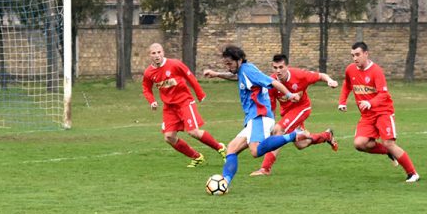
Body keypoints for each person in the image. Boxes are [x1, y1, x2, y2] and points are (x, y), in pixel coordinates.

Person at [203, 44, 308, 189]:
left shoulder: (248, 70)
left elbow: (273, 82)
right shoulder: (243, 71)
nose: (228, 67)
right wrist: (216, 74)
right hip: (253, 118)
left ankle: (293, 135)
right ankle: (224, 183)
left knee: (255, 150)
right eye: (226, 64)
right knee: (231, 148)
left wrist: (289, 95)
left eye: (230, 63)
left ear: (239, 60)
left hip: (260, 115)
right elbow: (235, 76)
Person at [338, 41, 419, 183]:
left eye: (357, 55)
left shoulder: (376, 71)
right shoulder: (350, 69)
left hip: (383, 112)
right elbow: (347, 85)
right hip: (367, 115)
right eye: (352, 55)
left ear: (366, 54)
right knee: (359, 144)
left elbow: (383, 94)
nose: (355, 58)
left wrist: (370, 102)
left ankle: (412, 173)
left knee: (388, 143)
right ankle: (389, 152)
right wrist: (342, 102)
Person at [251, 54, 339, 176]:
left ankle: (265, 169)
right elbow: (271, 108)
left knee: (279, 130)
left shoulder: (300, 75)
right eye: (275, 68)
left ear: (287, 66)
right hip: (287, 113)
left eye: (281, 67)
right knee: (301, 144)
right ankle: (326, 136)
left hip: (302, 108)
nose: (278, 71)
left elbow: (320, 76)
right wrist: (269, 125)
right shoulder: (271, 83)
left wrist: (330, 81)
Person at [142, 43, 226, 168]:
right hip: (169, 107)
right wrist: (152, 101)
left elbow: (189, 76)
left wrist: (200, 94)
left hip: (184, 102)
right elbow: (146, 88)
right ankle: (196, 157)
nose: (157, 55)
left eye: (159, 52)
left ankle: (220, 148)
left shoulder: (174, 64)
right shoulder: (149, 72)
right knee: (169, 137)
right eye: (154, 53)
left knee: (193, 132)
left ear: (163, 52)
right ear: (149, 55)